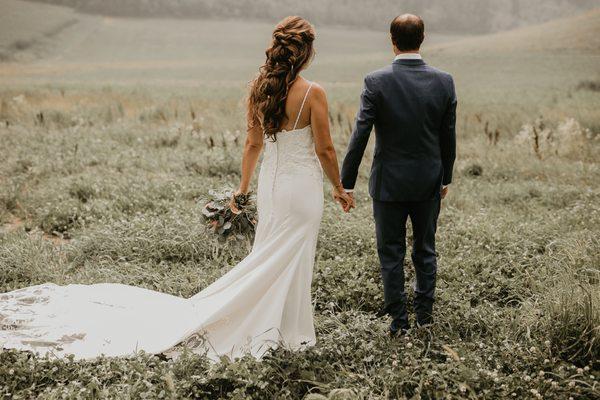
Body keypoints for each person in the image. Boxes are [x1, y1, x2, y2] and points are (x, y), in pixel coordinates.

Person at [0, 16, 352, 362]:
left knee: (268, 257)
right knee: (289, 257)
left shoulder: (261, 88)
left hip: (271, 188)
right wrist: (337, 187)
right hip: (301, 189)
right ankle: (288, 332)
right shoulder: (313, 93)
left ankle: (282, 327)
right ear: (305, 52)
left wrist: (241, 193)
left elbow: (252, 145)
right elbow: (325, 149)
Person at [341, 14, 457, 336]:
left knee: (390, 252)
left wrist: (345, 182)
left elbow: (360, 133)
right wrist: (445, 177)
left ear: (392, 40)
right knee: (425, 249)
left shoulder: (375, 81)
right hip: (427, 181)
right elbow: (448, 136)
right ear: (422, 39)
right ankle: (424, 317)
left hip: (388, 184)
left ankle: (398, 322)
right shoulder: (444, 81)